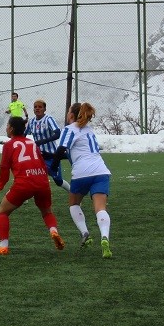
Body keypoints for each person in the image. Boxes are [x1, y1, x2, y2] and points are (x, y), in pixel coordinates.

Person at [0, 116, 65, 255]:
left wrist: (0, 185)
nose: (6, 127)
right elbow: (42, 164)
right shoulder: (32, 143)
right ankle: (53, 231)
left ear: (12, 128)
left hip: (24, 183)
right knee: (47, 212)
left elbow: (4, 168)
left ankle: (3, 246)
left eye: (7, 125)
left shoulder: (9, 145)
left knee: (3, 212)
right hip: (42, 181)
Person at [52, 102, 112, 257]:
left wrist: (52, 167)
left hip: (81, 173)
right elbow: (78, 152)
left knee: (73, 204)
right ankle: (104, 237)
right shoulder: (89, 130)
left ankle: (85, 233)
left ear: (72, 115)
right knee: (100, 208)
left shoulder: (70, 129)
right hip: (101, 171)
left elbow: (60, 150)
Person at [25, 99, 71, 192]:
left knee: (58, 181)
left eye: (40, 107)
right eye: (35, 107)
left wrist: (42, 141)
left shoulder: (48, 119)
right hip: (38, 156)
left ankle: (72, 192)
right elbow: (23, 135)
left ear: (44, 109)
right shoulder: (31, 122)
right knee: (31, 174)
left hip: (52, 156)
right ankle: (24, 195)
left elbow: (57, 133)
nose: (37, 109)